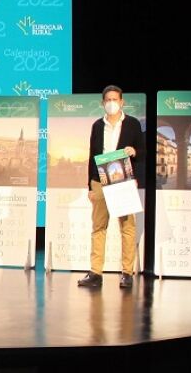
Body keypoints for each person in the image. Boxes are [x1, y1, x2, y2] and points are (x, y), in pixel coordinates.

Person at [78, 85, 145, 289]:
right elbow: (92, 155)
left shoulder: (132, 124)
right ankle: (95, 273)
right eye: (108, 100)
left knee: (127, 227)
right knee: (98, 227)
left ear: (122, 102)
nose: (111, 103)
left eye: (115, 99)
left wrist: (134, 151)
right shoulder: (97, 125)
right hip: (99, 179)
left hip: (122, 179)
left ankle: (127, 273)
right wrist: (90, 186)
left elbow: (143, 151)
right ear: (102, 103)